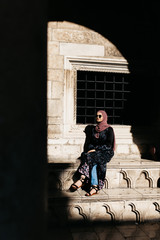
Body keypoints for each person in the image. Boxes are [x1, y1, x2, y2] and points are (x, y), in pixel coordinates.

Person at [70, 110, 115, 196]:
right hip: (94, 153)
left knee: (92, 157)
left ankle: (82, 180)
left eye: (100, 116)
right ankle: (94, 187)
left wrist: (96, 149)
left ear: (104, 117)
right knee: (91, 158)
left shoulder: (109, 129)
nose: (97, 118)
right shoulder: (94, 129)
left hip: (106, 152)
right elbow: (90, 143)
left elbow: (109, 145)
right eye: (96, 116)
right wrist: (91, 148)